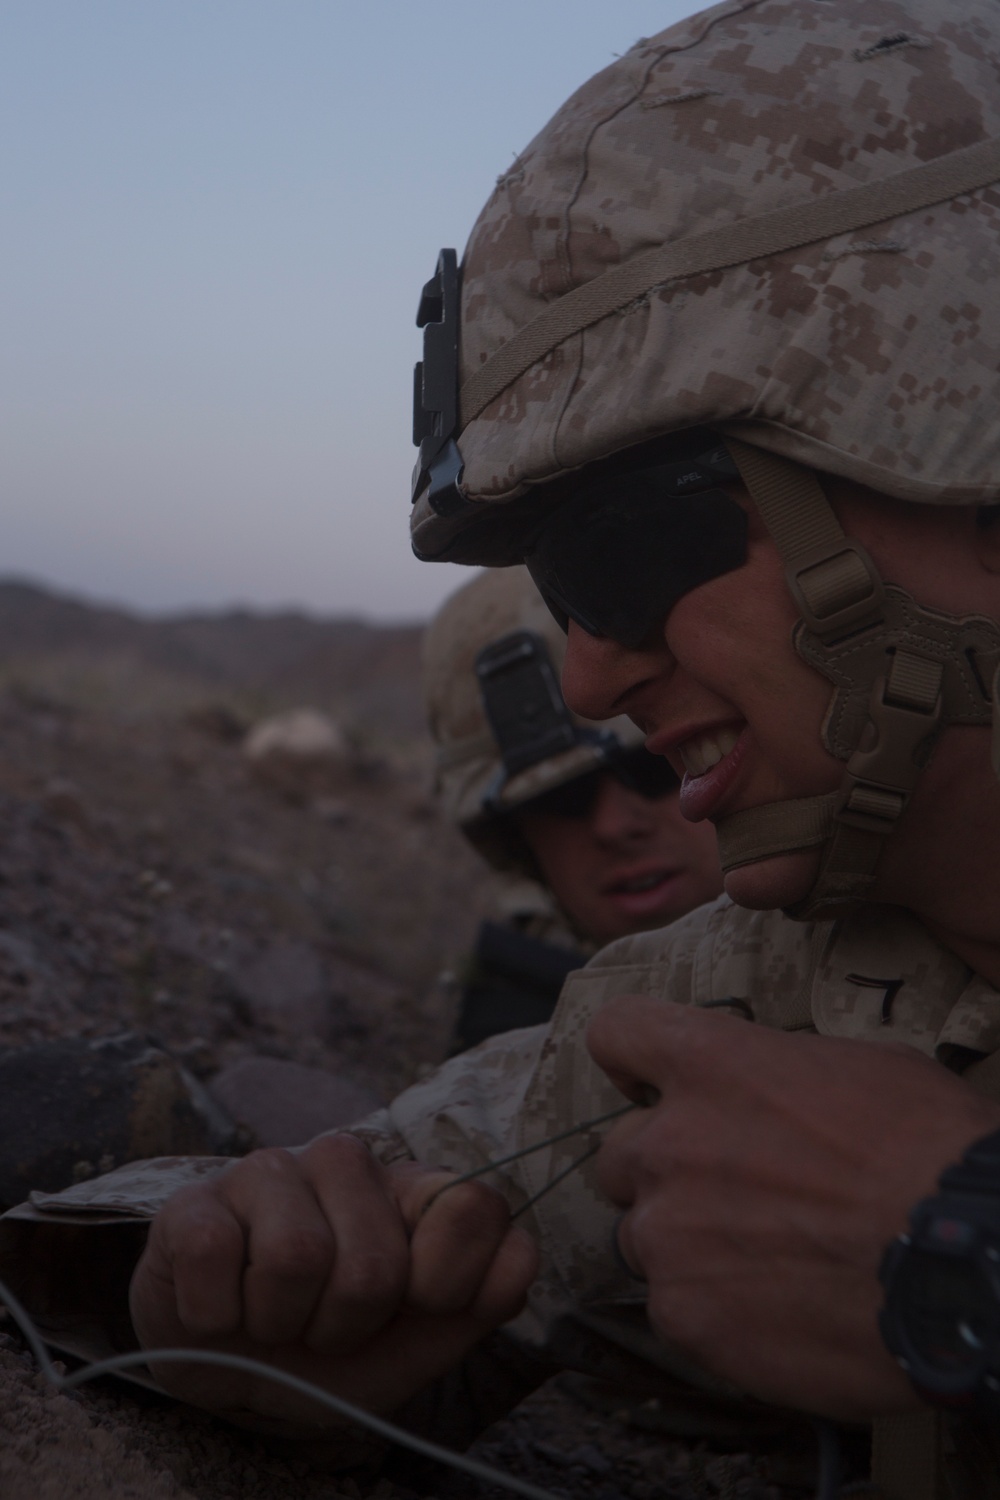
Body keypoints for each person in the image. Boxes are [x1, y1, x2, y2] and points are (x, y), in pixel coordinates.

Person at [5, 2, 1000, 1494]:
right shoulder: (749, 992)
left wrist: (965, 1254)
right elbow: (384, 1196)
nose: (592, 678)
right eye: (559, 595)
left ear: (949, 429)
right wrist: (236, 1288)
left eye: (625, 545)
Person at [424, 565, 721, 1048]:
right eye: (561, 796)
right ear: (513, 838)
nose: (614, 826)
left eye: (654, 766)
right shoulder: (516, 1063)